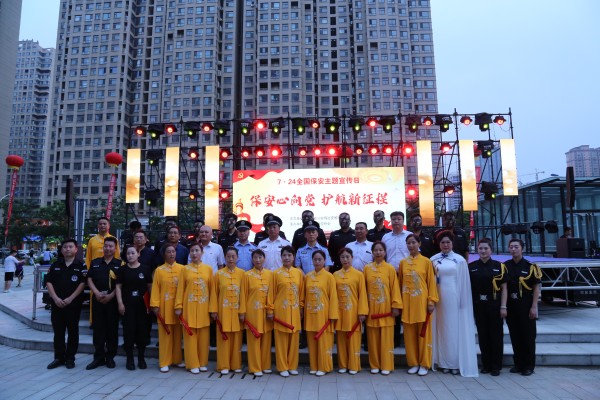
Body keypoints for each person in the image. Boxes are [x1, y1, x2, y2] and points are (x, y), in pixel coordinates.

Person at [430, 230, 478, 377]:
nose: (445, 245)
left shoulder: (460, 260)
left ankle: (455, 362)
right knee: (441, 329)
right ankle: (443, 362)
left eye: (448, 242)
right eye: (442, 242)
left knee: (453, 330)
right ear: (439, 244)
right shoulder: (433, 260)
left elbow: (464, 282)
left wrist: (463, 301)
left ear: (452, 243)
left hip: (454, 298)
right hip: (438, 298)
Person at [399, 234, 439, 376]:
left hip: (422, 303)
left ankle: (424, 364)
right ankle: (414, 363)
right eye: (408, 243)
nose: (411, 245)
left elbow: (431, 283)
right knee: (409, 336)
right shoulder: (403, 263)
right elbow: (400, 283)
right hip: (407, 303)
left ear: (419, 244)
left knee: (424, 335)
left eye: (413, 242)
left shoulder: (426, 262)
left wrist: (431, 301)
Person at [468, 238, 508, 376]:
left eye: (486, 248)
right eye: (480, 248)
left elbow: (504, 288)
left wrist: (503, 306)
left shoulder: (499, 266)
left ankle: (496, 366)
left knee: (496, 336)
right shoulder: (471, 267)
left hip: (495, 305)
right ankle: (486, 364)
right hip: (479, 306)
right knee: (483, 335)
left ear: (491, 250)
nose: (483, 251)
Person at [44, 239, 86, 369]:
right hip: (56, 304)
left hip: (73, 305)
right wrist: (55, 298)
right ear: (61, 250)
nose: (68, 249)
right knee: (58, 332)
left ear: (76, 249)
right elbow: (48, 282)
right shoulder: (55, 265)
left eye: (70, 247)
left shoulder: (81, 266)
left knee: (73, 331)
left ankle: (70, 358)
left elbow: (83, 283)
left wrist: (70, 298)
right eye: (65, 247)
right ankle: (59, 357)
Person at [363, 241, 402, 375]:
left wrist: (395, 305)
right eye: (376, 250)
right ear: (372, 252)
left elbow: (395, 288)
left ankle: (386, 365)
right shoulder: (367, 269)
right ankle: (374, 365)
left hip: (386, 309)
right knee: (372, 340)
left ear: (385, 252)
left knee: (386, 339)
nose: (378, 252)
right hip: (372, 308)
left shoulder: (390, 269)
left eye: (381, 250)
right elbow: (363, 290)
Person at [505, 238, 542, 376]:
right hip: (511, 304)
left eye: (516, 246)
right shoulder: (505, 266)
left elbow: (536, 288)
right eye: (511, 247)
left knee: (528, 336)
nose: (513, 249)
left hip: (526, 304)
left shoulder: (530, 267)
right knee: (515, 335)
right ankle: (518, 363)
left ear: (522, 248)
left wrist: (534, 306)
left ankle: (528, 366)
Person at [175, 243, 213, 374]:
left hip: (204, 306)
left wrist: (213, 308)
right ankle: (192, 363)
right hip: (189, 306)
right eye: (192, 251)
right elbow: (180, 289)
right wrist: (178, 306)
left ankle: (202, 362)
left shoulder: (208, 269)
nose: (194, 253)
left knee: (204, 337)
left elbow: (212, 290)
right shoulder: (185, 269)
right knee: (190, 335)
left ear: (202, 253)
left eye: (197, 250)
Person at [86, 236, 121, 370]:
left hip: (113, 302)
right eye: (106, 246)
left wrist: (111, 295)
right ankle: (99, 357)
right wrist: (96, 292)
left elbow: (121, 283)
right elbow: (89, 279)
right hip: (98, 300)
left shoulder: (120, 264)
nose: (108, 248)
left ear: (115, 248)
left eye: (111, 246)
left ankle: (110, 357)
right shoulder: (95, 262)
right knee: (98, 330)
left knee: (112, 330)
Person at [115, 246, 152, 370]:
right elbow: (118, 287)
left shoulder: (145, 269)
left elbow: (150, 287)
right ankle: (129, 359)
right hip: (127, 305)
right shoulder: (122, 270)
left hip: (142, 306)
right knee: (129, 332)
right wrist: (120, 303)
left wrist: (152, 304)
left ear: (138, 254)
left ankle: (141, 358)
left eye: (132, 253)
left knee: (142, 332)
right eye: (128, 253)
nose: (130, 255)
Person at [209, 247, 245, 374]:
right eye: (228, 256)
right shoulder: (218, 274)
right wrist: (214, 310)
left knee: (236, 338)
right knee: (223, 337)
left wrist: (242, 311)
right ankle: (223, 365)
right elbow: (214, 293)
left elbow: (244, 294)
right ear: (224, 258)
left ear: (237, 258)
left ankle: (235, 365)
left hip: (237, 311)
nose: (230, 259)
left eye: (233, 256)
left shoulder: (242, 274)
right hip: (222, 310)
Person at [333, 248, 368, 375]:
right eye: (342, 257)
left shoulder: (359, 275)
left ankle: (353, 365)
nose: (345, 259)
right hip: (339, 311)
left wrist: (362, 312)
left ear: (352, 258)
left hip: (353, 311)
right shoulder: (335, 275)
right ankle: (343, 364)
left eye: (347, 256)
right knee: (341, 338)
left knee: (354, 338)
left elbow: (362, 294)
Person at [151, 243, 185, 372]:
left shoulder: (183, 269)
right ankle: (164, 361)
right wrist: (155, 305)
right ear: (164, 254)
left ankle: (177, 359)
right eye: (168, 252)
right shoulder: (159, 270)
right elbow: (155, 288)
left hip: (178, 307)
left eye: (173, 251)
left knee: (177, 335)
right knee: (165, 335)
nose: (171, 254)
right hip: (164, 306)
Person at [304, 250, 339, 376]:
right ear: (312, 261)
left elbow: (333, 297)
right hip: (310, 313)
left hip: (324, 314)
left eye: (320, 259)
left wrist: (332, 315)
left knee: (324, 341)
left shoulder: (329, 276)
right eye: (315, 259)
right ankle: (314, 366)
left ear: (324, 261)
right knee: (312, 340)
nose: (317, 262)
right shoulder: (308, 276)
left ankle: (324, 367)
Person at [272, 246, 304, 377]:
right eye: (284, 255)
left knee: (294, 340)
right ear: (281, 257)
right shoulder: (276, 274)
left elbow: (301, 293)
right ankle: (282, 367)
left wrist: (301, 307)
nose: (287, 258)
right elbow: (272, 294)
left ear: (294, 257)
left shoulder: (298, 273)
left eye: (289, 255)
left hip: (295, 311)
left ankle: (292, 366)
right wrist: (271, 310)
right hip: (281, 311)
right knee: (281, 341)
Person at [241, 249, 274, 376]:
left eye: (260, 257)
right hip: (252, 312)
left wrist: (271, 309)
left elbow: (272, 294)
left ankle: (265, 365)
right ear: (252, 259)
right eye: (255, 257)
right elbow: (243, 295)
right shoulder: (247, 275)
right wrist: (242, 312)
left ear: (264, 259)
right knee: (254, 338)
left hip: (266, 312)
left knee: (266, 339)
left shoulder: (270, 275)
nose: (258, 260)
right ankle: (255, 367)